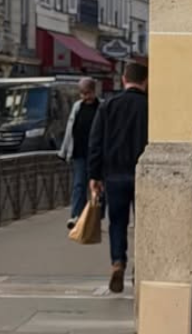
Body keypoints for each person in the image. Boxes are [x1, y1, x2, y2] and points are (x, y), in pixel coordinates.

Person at [88, 62, 148, 294]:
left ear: (124, 79)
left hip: (114, 175)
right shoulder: (150, 107)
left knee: (117, 223)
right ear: (145, 81)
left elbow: (95, 143)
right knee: (144, 224)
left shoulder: (108, 106)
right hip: (143, 175)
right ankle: (141, 266)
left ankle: (117, 262)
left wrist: (94, 175)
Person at [59, 77, 101, 230]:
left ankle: (95, 217)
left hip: (97, 154)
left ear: (94, 91)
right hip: (79, 152)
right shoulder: (77, 106)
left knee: (97, 187)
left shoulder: (101, 107)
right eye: (82, 93)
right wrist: (64, 151)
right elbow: (70, 130)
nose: (85, 96)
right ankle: (76, 216)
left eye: (87, 93)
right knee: (79, 185)